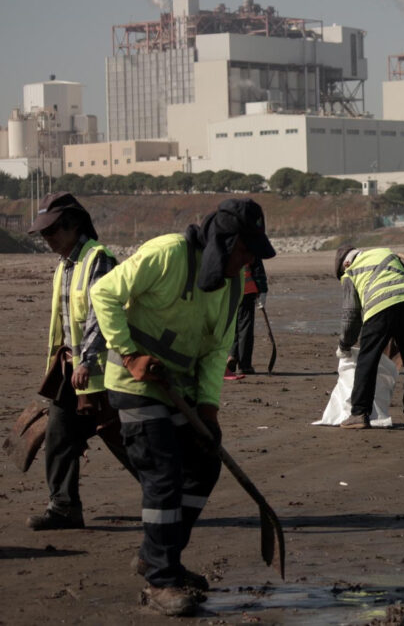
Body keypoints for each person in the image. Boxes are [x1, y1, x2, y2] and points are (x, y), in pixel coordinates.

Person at [91, 198, 275, 616]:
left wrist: (209, 410)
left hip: (181, 387)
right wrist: (130, 353)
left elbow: (215, 352)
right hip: (134, 382)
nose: (247, 261)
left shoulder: (231, 286)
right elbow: (103, 293)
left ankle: (158, 555)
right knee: (163, 473)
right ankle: (161, 580)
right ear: (223, 243)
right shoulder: (167, 254)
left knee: (204, 466)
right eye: (244, 250)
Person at [25, 192, 134, 530]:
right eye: (43, 235)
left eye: (51, 233)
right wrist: (61, 365)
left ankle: (169, 495)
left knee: (122, 439)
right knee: (59, 436)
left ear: (73, 227)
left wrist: (86, 360)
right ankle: (64, 507)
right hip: (70, 370)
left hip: (100, 371)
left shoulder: (97, 259)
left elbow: (101, 314)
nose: (47, 241)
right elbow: (65, 320)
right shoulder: (66, 264)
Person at [334, 246, 404, 431]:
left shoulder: (350, 272)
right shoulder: (386, 253)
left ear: (345, 263)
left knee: (367, 360)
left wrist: (344, 344)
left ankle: (359, 413)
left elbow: (351, 315)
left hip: (379, 309)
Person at [226, 258, 268, 379]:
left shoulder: (224, 241)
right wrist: (263, 290)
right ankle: (245, 364)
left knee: (231, 325)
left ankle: (232, 355)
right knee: (245, 327)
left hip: (228, 291)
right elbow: (258, 269)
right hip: (247, 290)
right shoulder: (250, 242)